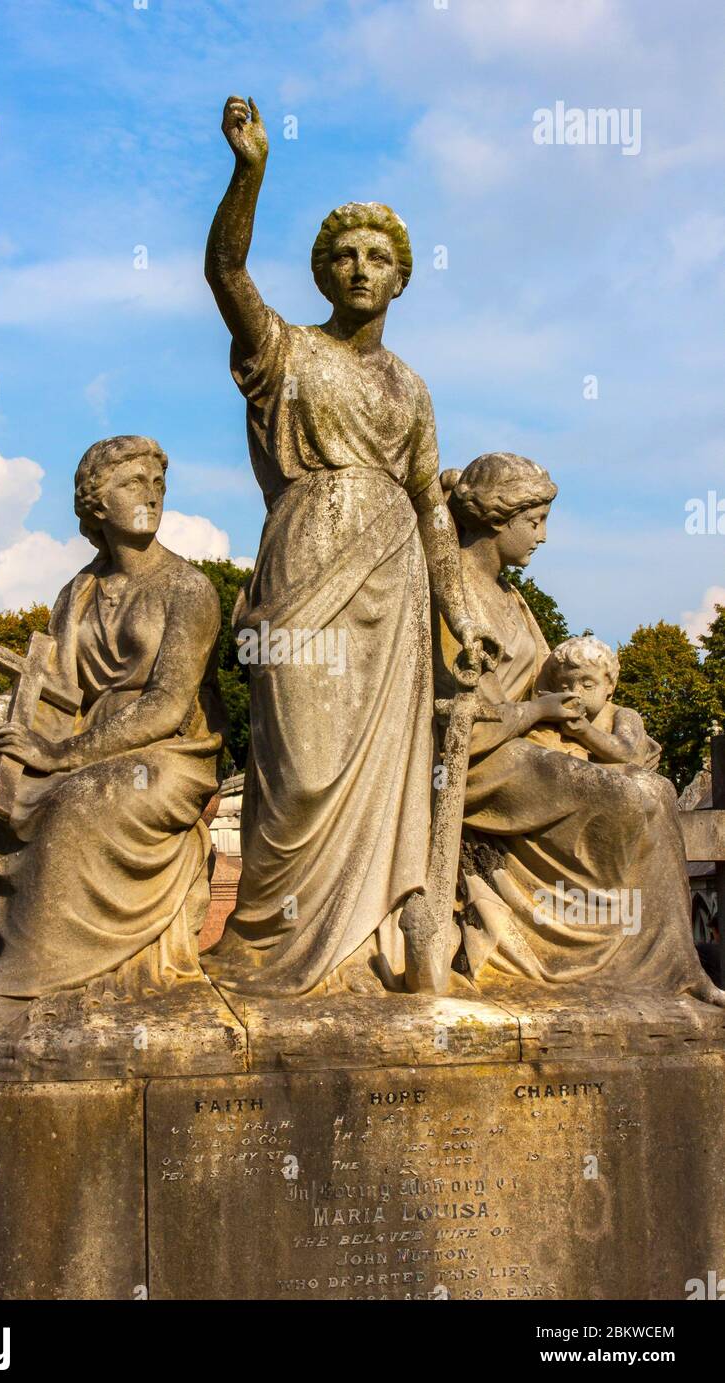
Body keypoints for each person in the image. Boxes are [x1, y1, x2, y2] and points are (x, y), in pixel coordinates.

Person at [203, 95, 497, 996]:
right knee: (297, 772)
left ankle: (365, 951)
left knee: (386, 778)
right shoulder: (285, 351)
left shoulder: (410, 388)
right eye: (344, 255)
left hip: (395, 587)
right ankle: (272, 949)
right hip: (305, 567)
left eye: (380, 258)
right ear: (324, 273)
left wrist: (461, 611)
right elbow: (226, 273)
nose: (361, 268)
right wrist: (249, 173)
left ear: (402, 279)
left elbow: (431, 505)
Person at [0, 435, 225, 1042]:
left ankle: (17, 983)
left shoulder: (188, 590)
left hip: (166, 755)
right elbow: (55, 692)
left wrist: (58, 755)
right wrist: (5, 723)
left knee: (79, 801)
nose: (150, 495)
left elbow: (169, 706)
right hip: (85, 741)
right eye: (132, 484)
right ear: (96, 506)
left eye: (158, 483)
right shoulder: (80, 592)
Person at [436, 452, 724, 1003]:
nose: (543, 536)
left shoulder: (514, 601)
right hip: (477, 764)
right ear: (499, 518)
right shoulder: (457, 598)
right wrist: (539, 714)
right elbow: (458, 718)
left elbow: (557, 690)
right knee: (638, 797)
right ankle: (655, 967)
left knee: (654, 790)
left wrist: (608, 726)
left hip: (523, 750)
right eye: (535, 521)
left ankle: (671, 967)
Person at [530, 635, 661, 770]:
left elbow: (629, 754)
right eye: (564, 687)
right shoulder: (554, 722)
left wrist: (585, 732)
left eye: (587, 685)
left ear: (610, 686)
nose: (575, 692)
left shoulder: (624, 715)